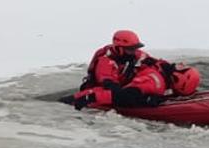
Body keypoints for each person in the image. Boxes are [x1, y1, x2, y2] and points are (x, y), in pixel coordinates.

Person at [72, 30, 201, 110]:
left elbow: (154, 61)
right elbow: (112, 87)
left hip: (124, 86)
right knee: (121, 96)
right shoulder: (106, 61)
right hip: (101, 90)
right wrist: (145, 99)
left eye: (135, 48)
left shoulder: (134, 54)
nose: (134, 51)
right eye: (130, 49)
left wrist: (171, 69)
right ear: (119, 47)